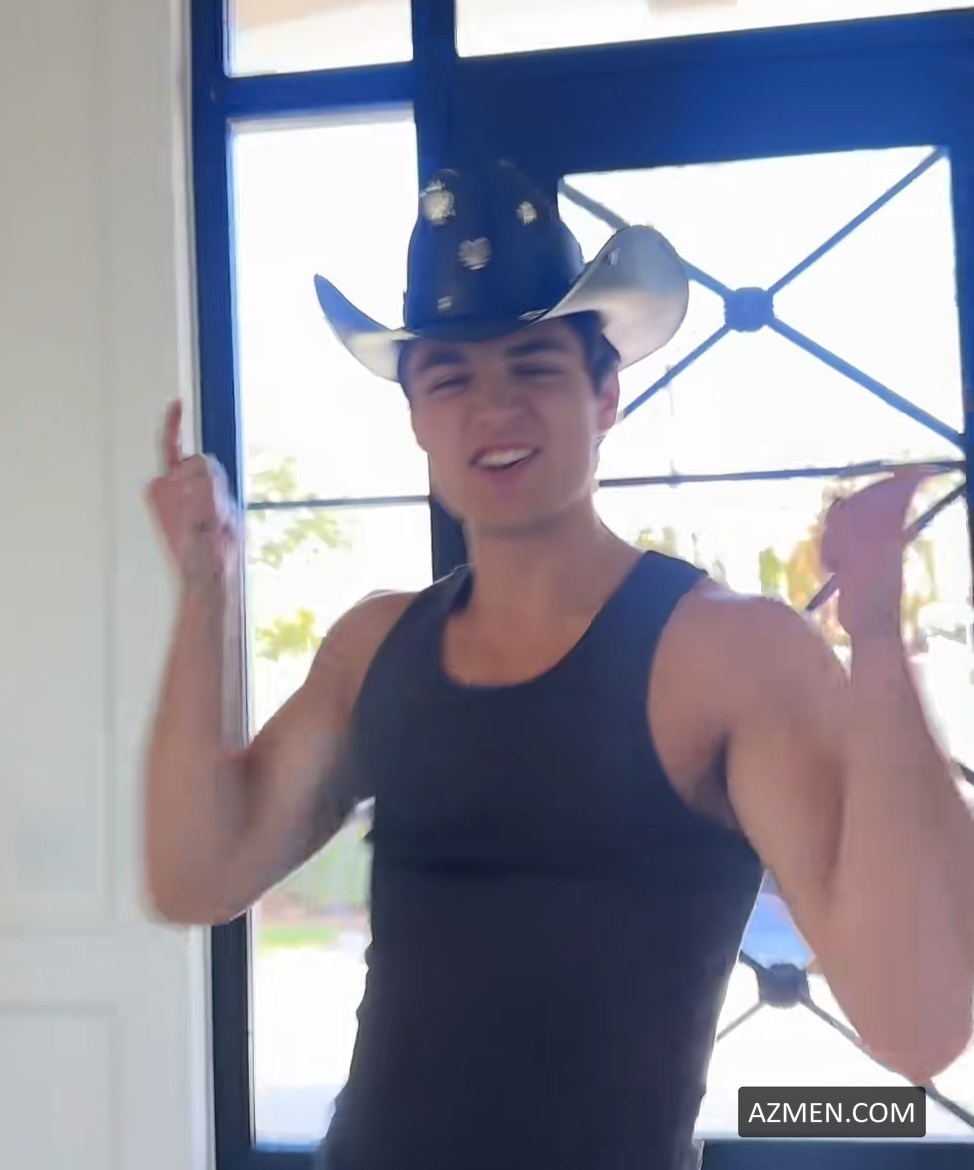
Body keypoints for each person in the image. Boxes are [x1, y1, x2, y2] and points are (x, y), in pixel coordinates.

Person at [143, 159, 974, 1170]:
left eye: (533, 367)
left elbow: (917, 1022)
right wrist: (207, 588)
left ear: (604, 394)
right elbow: (197, 876)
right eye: (451, 379)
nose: (492, 409)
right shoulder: (373, 649)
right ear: (416, 417)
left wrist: (878, 639)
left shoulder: (730, 655)